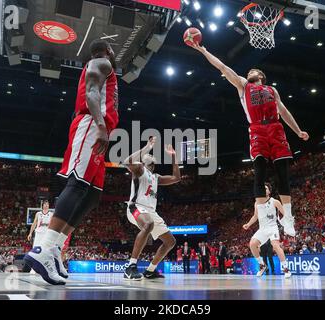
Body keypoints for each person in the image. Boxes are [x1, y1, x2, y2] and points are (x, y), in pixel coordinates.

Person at [24, 39, 119, 285]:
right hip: (91, 123)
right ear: (107, 51)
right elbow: (91, 93)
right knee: (77, 184)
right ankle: (43, 249)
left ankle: (55, 249)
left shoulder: (104, 67)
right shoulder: (100, 62)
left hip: (97, 125)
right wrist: (99, 125)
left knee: (92, 196)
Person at [191, 44, 309, 238]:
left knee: (282, 173)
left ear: (261, 76)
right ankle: (263, 220)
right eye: (249, 71)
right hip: (257, 128)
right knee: (260, 172)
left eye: (253, 71)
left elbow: (284, 111)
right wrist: (204, 51)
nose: (250, 72)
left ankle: (288, 217)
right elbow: (222, 67)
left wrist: (297, 131)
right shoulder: (243, 85)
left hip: (276, 128)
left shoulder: (272, 90)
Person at [122, 137, 180, 280]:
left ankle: (150, 270)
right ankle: (131, 266)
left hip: (150, 211)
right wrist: (147, 147)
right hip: (135, 207)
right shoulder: (139, 169)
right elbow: (127, 162)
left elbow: (176, 178)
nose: (152, 160)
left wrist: (173, 157)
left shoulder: (156, 177)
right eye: (149, 157)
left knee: (170, 242)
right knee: (148, 224)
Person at [243, 183, 292, 278]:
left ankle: (286, 269)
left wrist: (288, 225)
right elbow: (255, 216)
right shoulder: (257, 203)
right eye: (262, 188)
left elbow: (285, 214)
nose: (264, 190)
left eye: (265, 189)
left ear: (269, 191)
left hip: (273, 227)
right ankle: (262, 266)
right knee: (252, 244)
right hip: (262, 229)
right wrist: (248, 224)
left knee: (276, 246)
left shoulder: (275, 202)